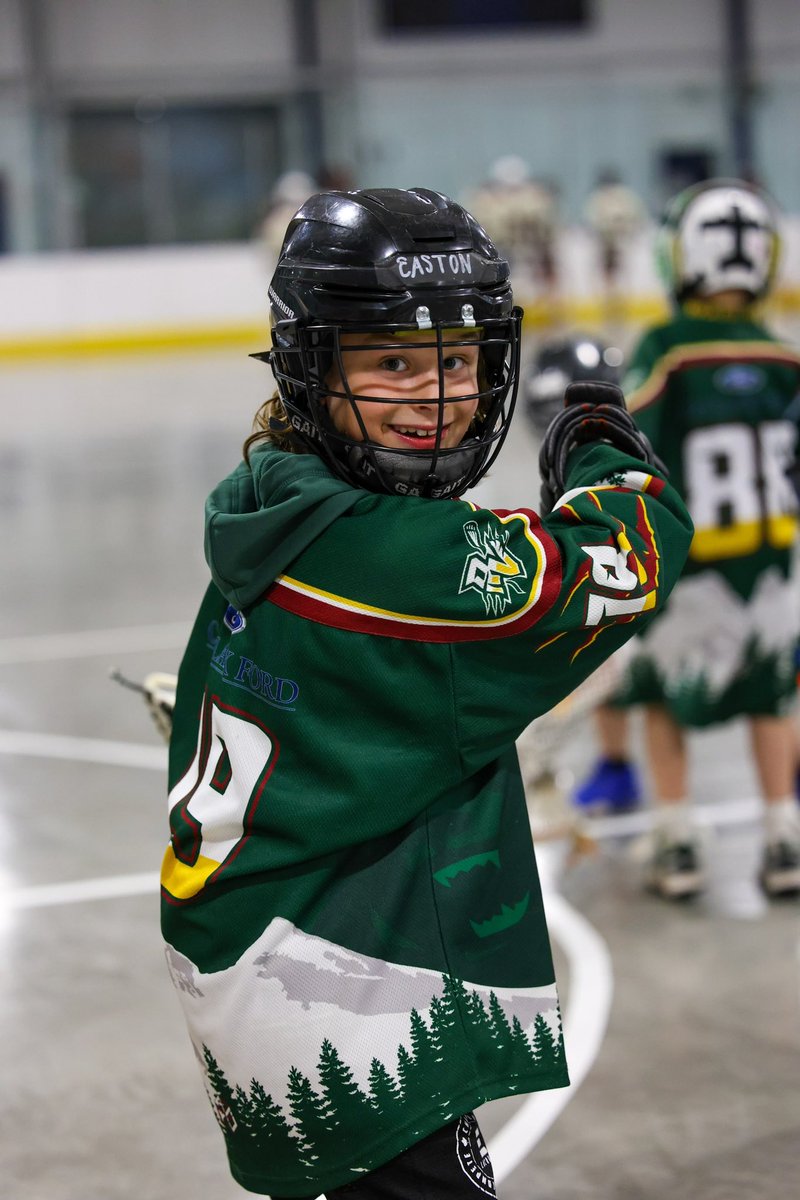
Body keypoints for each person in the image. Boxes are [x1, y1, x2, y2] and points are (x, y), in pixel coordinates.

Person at [160, 186, 692, 1199]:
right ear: (310, 366)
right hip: (332, 978)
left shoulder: (270, 489)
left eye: (456, 360)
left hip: (269, 945)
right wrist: (591, 429)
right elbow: (622, 559)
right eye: (391, 359)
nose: (437, 393)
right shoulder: (397, 559)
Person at [575, 178, 800, 900]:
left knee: (663, 698)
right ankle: (781, 830)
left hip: (688, 570)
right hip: (768, 567)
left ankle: (676, 837)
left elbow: (625, 443)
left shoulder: (666, 351)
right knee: (771, 700)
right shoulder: (784, 355)